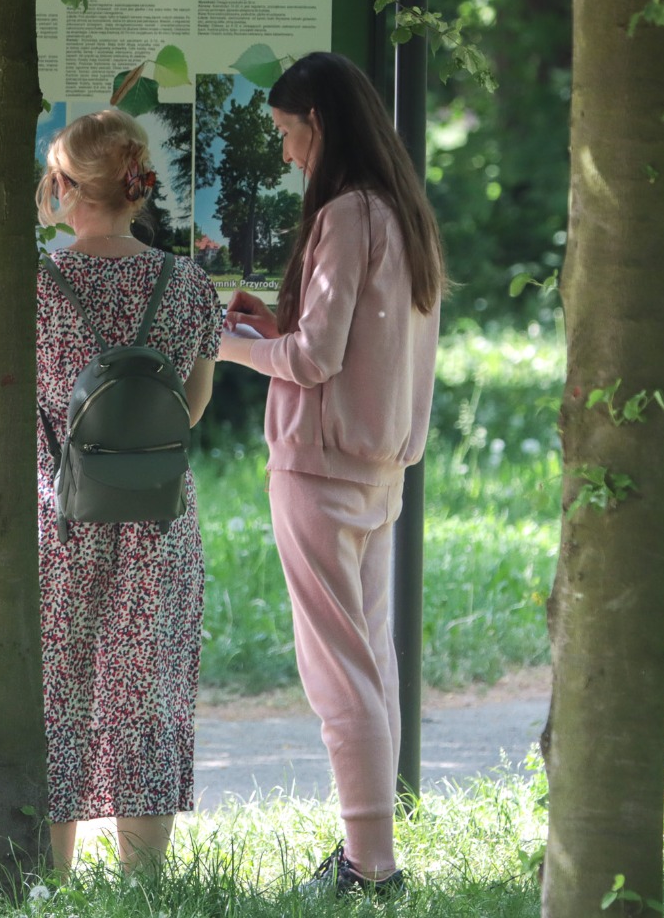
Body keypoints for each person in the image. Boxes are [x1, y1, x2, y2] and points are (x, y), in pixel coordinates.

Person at [217, 51, 445, 898]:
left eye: (285, 134)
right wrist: (272, 322)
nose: (283, 154)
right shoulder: (400, 210)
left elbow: (311, 361)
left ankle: (369, 867)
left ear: (318, 124)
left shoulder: (344, 213)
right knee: (369, 662)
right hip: (378, 471)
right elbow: (352, 347)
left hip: (317, 467)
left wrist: (225, 342)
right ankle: (370, 858)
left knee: (335, 672)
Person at [35, 109, 221, 873]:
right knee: (145, 690)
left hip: (59, 516)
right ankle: (143, 883)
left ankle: (48, 876)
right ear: (136, 188)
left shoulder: (35, 285)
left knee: (58, 690)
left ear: (62, 188)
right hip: (159, 516)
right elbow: (194, 405)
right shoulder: (186, 284)